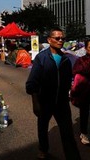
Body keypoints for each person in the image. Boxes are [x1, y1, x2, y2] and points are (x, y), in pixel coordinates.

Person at [26, 27, 81, 160]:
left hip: (62, 103)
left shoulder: (66, 59)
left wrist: (69, 92)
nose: (60, 40)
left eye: (62, 38)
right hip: (45, 101)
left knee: (67, 132)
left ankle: (73, 156)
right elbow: (32, 82)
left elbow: (68, 79)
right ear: (49, 40)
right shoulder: (41, 58)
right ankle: (43, 149)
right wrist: (35, 102)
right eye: (57, 38)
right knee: (42, 128)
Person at [72, 39, 90, 145]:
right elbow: (75, 72)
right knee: (84, 112)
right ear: (85, 48)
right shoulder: (81, 60)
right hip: (85, 92)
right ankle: (84, 132)